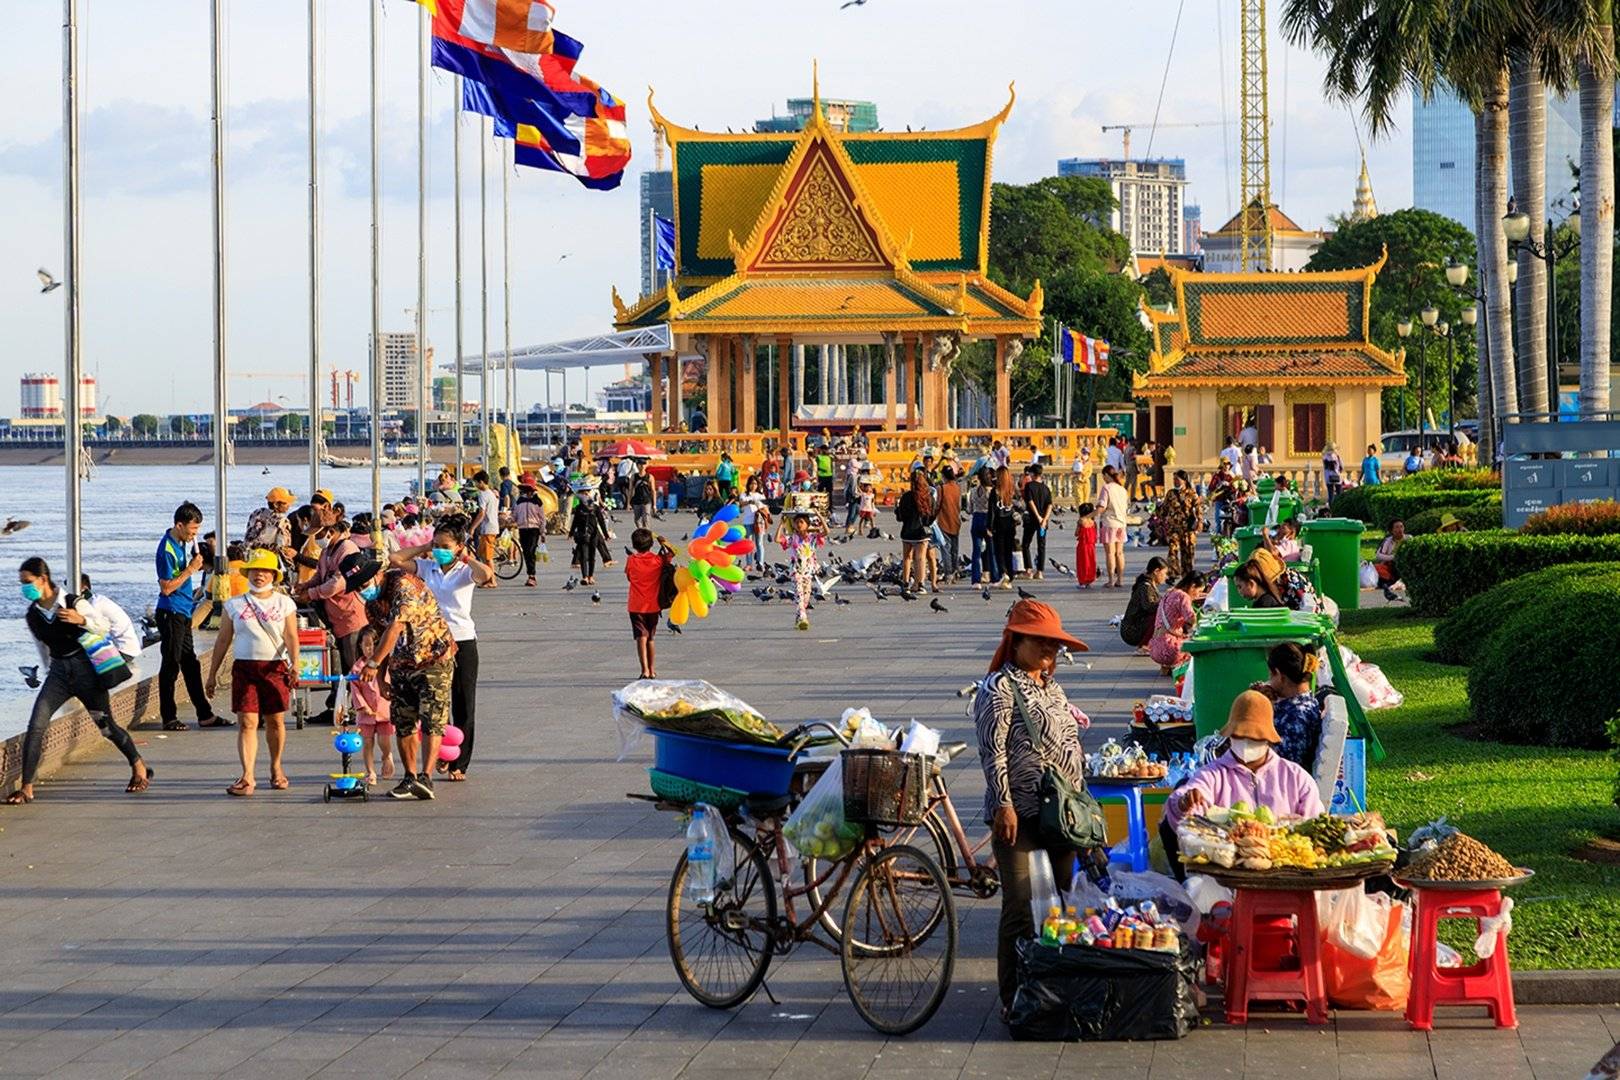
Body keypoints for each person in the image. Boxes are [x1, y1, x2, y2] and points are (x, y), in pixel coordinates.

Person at [973, 599, 1090, 1017]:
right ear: (1016, 640)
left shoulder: (1051, 687)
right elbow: (992, 752)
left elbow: (1071, 747)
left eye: (1054, 644)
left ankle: (1051, 989)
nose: (1049, 650)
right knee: (1020, 907)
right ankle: (1013, 997)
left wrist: (1082, 800)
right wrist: (1003, 803)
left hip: (1060, 814)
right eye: (1040, 641)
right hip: (1017, 815)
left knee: (1059, 903)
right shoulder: (997, 689)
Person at [10, 557, 151, 804]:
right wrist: (46, 673)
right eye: (22, 583)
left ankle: (138, 765)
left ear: (43, 579)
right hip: (58, 674)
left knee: (106, 727)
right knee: (36, 726)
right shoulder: (33, 614)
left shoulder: (73, 602)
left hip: (86, 670)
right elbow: (42, 647)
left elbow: (103, 627)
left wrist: (81, 619)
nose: (25, 588)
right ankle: (27, 788)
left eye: (28, 582)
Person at [395, 522, 493, 782]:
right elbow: (395, 558)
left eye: (445, 547)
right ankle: (441, 754)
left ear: (459, 547)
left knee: (463, 702)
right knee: (435, 705)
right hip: (432, 644)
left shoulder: (464, 571)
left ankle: (459, 762)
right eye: (437, 546)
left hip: (463, 641)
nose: (440, 551)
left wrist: (466, 557)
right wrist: (426, 547)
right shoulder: (428, 567)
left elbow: (486, 575)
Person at [205, 550, 300, 796]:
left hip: (275, 666)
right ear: (248, 573)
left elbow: (291, 636)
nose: (260, 575)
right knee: (247, 722)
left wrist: (296, 664)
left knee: (275, 720)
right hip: (244, 668)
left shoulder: (284, 603)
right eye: (256, 570)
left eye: (265, 570)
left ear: (273, 574)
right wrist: (212, 674)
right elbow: (223, 640)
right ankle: (247, 776)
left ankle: (276, 767)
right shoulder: (234, 604)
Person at [1165, 690, 1324, 829]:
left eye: (1254, 738)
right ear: (1231, 736)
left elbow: (1315, 824)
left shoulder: (1296, 778)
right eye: (1240, 736)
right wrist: (1183, 803)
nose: (1246, 743)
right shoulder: (1212, 775)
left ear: (1267, 739)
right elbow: (1186, 809)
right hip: (1225, 858)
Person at [365, 566, 457, 801]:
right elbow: (381, 636)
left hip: (433, 657)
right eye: (357, 587)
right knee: (403, 720)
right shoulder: (373, 604)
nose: (362, 591)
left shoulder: (403, 584)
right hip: (401, 663)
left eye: (364, 585)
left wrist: (373, 664)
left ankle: (425, 777)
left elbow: (395, 626)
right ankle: (410, 777)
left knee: (431, 719)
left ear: (377, 575)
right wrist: (380, 676)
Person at [154, 501, 224, 731]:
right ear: (179, 525)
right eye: (193, 529)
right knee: (171, 665)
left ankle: (205, 714)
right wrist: (192, 569)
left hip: (184, 611)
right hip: (170, 611)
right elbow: (166, 587)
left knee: (191, 665)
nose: (196, 534)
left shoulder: (184, 542)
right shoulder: (167, 550)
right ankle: (169, 716)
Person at [295, 511, 366, 726]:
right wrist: (305, 586)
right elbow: (320, 575)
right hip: (334, 615)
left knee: (352, 663)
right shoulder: (327, 551)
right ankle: (338, 704)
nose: (316, 538)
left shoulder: (347, 550)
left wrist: (313, 593)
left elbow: (338, 582)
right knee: (338, 664)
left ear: (332, 531)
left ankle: (355, 707)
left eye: (319, 534)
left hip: (351, 615)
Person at [1250, 642, 1324, 770]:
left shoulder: (1294, 718)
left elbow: (1280, 768)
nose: (1268, 681)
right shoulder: (1306, 703)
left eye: (1271, 675)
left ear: (1279, 676)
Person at [625, 528, 675, 679]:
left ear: (634, 545)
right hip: (653, 605)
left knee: (641, 637)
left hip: (636, 605)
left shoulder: (631, 560)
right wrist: (664, 542)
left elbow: (629, 576)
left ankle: (644, 670)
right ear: (651, 544)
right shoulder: (657, 560)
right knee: (651, 638)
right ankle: (652, 669)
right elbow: (672, 553)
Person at [349, 624, 396, 787]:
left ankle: (387, 755)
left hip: (384, 709)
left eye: (374, 644)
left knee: (384, 740)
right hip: (366, 712)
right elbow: (355, 690)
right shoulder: (357, 668)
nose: (370, 649)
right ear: (360, 646)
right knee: (367, 742)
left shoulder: (386, 664)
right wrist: (362, 707)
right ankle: (370, 771)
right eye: (367, 645)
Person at [775, 510, 827, 630]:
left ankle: (798, 619)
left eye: (802, 522)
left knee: (806, 598)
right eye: (797, 522)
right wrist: (781, 524)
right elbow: (777, 539)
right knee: (799, 595)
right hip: (796, 571)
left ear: (807, 524)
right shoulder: (792, 538)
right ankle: (804, 618)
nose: (799, 524)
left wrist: (819, 516)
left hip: (808, 572)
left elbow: (827, 532)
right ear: (793, 524)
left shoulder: (812, 538)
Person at [1148, 571, 1208, 672]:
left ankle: (1167, 666)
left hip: (1154, 648)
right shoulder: (1183, 596)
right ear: (1193, 586)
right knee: (1200, 646)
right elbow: (1192, 619)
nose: (1197, 595)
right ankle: (1177, 665)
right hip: (1170, 649)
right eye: (1199, 591)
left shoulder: (1170, 592)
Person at [79, 574, 142, 662]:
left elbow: (90, 630)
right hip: (129, 648)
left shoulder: (95, 606)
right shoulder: (98, 599)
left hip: (123, 651)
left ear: (84, 588)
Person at [895, 470, 937, 594]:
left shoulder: (906, 497)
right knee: (920, 558)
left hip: (907, 531)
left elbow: (900, 517)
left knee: (907, 558)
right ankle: (920, 584)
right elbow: (933, 514)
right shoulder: (928, 497)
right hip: (921, 532)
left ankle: (906, 583)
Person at [1157, 470, 1201, 578]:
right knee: (1172, 551)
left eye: (1177, 479)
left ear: (1184, 480)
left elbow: (1198, 508)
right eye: (1174, 479)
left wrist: (1199, 522)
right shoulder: (1170, 493)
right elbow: (1164, 510)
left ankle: (1188, 575)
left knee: (1188, 554)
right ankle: (1173, 573)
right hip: (1174, 529)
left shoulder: (1192, 493)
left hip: (1188, 529)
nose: (1175, 481)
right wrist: (1159, 518)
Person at [1120, 556, 1168, 653]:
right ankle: (1145, 645)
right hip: (1131, 631)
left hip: (1137, 626)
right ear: (1156, 571)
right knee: (1159, 614)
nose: (1166, 577)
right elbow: (1150, 607)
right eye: (1164, 573)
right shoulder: (1145, 587)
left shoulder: (1149, 584)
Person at [244, 486, 297, 568]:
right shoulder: (283, 521)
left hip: (251, 557)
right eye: (286, 503)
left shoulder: (257, 513)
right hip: (268, 560)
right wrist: (291, 565)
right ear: (276, 504)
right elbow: (282, 547)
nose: (289, 505)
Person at [512, 473, 549, 587]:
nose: (527, 492)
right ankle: (530, 574)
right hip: (522, 529)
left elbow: (542, 518)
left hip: (534, 530)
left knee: (531, 551)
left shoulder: (538, 502)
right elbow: (515, 515)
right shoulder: (519, 501)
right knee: (526, 552)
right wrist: (509, 520)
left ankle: (531, 576)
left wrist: (543, 532)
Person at [1097, 465, 1130, 588]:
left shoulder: (1106, 488)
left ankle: (1111, 580)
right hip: (1121, 524)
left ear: (1106, 475)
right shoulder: (1122, 489)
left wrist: (1089, 516)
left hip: (1109, 523)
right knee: (1120, 553)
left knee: (1110, 553)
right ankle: (1120, 579)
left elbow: (1102, 507)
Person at [1019, 462, 1053, 580]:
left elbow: (1030, 501)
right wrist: (1044, 519)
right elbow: (1050, 505)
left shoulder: (1029, 486)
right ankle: (1040, 571)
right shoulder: (1046, 488)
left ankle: (1028, 569)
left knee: (1026, 544)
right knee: (1041, 545)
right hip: (1043, 522)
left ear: (1032, 474)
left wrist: (1038, 516)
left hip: (1031, 520)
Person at [990, 465, 1020, 589]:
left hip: (999, 524)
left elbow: (992, 511)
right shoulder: (1012, 490)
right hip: (1010, 524)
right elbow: (1020, 505)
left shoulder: (995, 491)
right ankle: (1010, 576)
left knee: (999, 551)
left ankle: (1004, 573)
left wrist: (989, 526)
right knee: (1008, 550)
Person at [469, 471, 501, 586]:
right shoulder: (492, 493)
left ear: (481, 482)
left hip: (488, 528)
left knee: (488, 557)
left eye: (476, 483)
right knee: (481, 554)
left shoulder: (482, 495)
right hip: (492, 526)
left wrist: (472, 527)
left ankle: (492, 580)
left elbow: (481, 513)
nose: (476, 486)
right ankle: (486, 578)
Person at [968, 467, 998, 585]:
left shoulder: (973, 491)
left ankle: (976, 580)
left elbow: (969, 509)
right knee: (991, 551)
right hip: (988, 519)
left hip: (976, 519)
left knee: (976, 552)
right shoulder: (992, 491)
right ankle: (994, 578)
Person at [936, 466, 962, 582]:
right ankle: (955, 571)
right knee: (954, 549)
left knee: (946, 548)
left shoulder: (941, 488)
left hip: (944, 520)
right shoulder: (957, 487)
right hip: (956, 520)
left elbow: (937, 505)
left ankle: (948, 573)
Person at [740, 475, 770, 571]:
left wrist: (760, 507)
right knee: (748, 543)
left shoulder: (761, 495)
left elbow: (766, 508)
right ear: (748, 484)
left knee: (759, 543)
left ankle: (760, 563)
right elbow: (741, 503)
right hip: (748, 521)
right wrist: (749, 502)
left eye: (755, 484)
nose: (753, 486)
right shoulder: (744, 494)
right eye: (751, 483)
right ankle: (749, 564)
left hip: (759, 521)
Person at [1373, 520, 1406, 601]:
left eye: (1401, 527)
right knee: (1376, 569)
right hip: (1390, 566)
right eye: (1397, 527)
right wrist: (1393, 557)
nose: (1400, 529)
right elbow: (1379, 555)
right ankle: (1387, 583)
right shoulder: (1388, 541)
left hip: (1404, 565)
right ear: (1392, 530)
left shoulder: (1409, 539)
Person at [1073, 502, 1097, 588]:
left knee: (1082, 563)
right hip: (1091, 546)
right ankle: (1089, 581)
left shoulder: (1081, 521)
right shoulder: (1093, 522)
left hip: (1083, 545)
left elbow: (1076, 533)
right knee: (1090, 562)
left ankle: (1082, 581)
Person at [629, 465, 656, 533]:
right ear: (637, 466)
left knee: (646, 519)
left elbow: (653, 490)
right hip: (637, 500)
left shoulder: (649, 476)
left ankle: (647, 535)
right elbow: (630, 490)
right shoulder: (634, 477)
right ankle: (642, 531)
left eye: (643, 465)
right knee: (637, 519)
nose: (642, 466)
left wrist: (654, 505)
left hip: (646, 500)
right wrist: (628, 503)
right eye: (640, 465)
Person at [1321, 441, 1345, 506]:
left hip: (1328, 478)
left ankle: (1331, 508)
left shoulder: (1325, 457)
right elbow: (1342, 466)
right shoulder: (1336, 456)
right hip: (1336, 476)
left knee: (1330, 494)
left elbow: (1325, 467)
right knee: (1339, 494)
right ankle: (1339, 507)